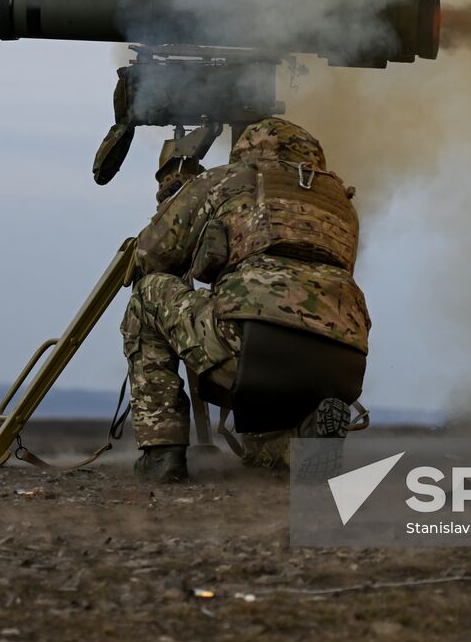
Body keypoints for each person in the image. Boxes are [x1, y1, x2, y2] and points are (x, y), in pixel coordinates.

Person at [121, 116, 370, 482]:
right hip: (340, 363)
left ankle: (161, 451)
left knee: (148, 293)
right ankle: (301, 439)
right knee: (267, 442)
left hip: (252, 344)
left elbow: (149, 256)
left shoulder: (229, 179)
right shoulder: (342, 203)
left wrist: (175, 201)